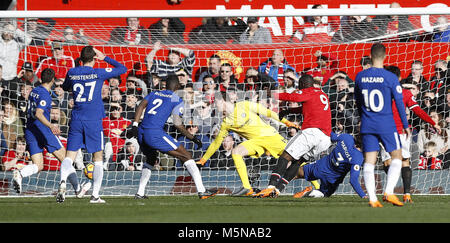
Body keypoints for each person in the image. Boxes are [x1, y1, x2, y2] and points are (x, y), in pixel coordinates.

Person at [126, 74, 217, 199]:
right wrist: (192, 137)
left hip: (141, 131)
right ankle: (202, 191)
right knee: (186, 155)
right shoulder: (176, 99)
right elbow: (177, 124)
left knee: (151, 159)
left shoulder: (154, 93)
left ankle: (140, 193)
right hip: (155, 133)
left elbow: (141, 105)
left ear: (165, 85)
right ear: (178, 86)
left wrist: (135, 125)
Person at [196, 93, 300, 196]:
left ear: (223, 101)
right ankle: (247, 187)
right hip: (256, 142)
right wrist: (204, 159)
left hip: (270, 137)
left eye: (215, 103)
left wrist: (287, 122)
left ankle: (316, 186)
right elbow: (216, 143)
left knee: (299, 159)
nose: (214, 105)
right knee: (236, 152)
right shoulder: (226, 123)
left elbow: (268, 112)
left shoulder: (244, 105)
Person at [61, 46, 127, 203]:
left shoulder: (72, 72)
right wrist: (105, 58)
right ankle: (95, 195)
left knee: (69, 156)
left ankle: (63, 182)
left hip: (76, 118)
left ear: (81, 59)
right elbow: (122, 68)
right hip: (93, 120)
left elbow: (64, 87)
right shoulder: (98, 72)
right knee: (98, 158)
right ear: (94, 58)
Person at [12, 68, 90, 199]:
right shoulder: (45, 95)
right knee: (66, 159)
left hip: (30, 130)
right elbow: (38, 113)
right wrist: (51, 125)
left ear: (41, 78)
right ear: (53, 80)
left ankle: (20, 174)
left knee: (38, 165)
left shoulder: (34, 91)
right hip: (43, 130)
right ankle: (75, 189)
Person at [254, 74, 331, 198]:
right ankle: (278, 190)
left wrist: (272, 94)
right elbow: (308, 108)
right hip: (325, 138)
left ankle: (270, 187)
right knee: (298, 162)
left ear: (304, 84)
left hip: (312, 132)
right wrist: (289, 111)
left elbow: (292, 97)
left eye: (299, 85)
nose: (298, 87)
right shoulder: (321, 93)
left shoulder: (308, 91)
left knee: (285, 156)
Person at [354, 43, 410, 208]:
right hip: (386, 123)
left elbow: (357, 101)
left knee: (369, 161)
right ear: (385, 56)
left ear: (370, 56)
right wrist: (405, 125)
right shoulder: (390, 77)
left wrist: (362, 117)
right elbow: (399, 103)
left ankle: (372, 199)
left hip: (367, 123)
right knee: (397, 156)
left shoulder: (360, 76)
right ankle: (389, 192)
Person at [380, 65, 439, 203]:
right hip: (402, 132)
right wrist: (432, 122)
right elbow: (418, 110)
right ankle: (406, 194)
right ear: (400, 78)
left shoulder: (380, 92)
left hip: (384, 131)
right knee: (404, 161)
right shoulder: (405, 93)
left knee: (388, 162)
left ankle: (389, 192)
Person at [292, 133, 366, 199]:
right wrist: (363, 195)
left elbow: (331, 136)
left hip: (320, 166)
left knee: (294, 173)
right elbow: (353, 180)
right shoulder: (358, 158)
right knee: (323, 194)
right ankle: (309, 193)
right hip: (331, 179)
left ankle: (280, 184)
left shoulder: (347, 137)